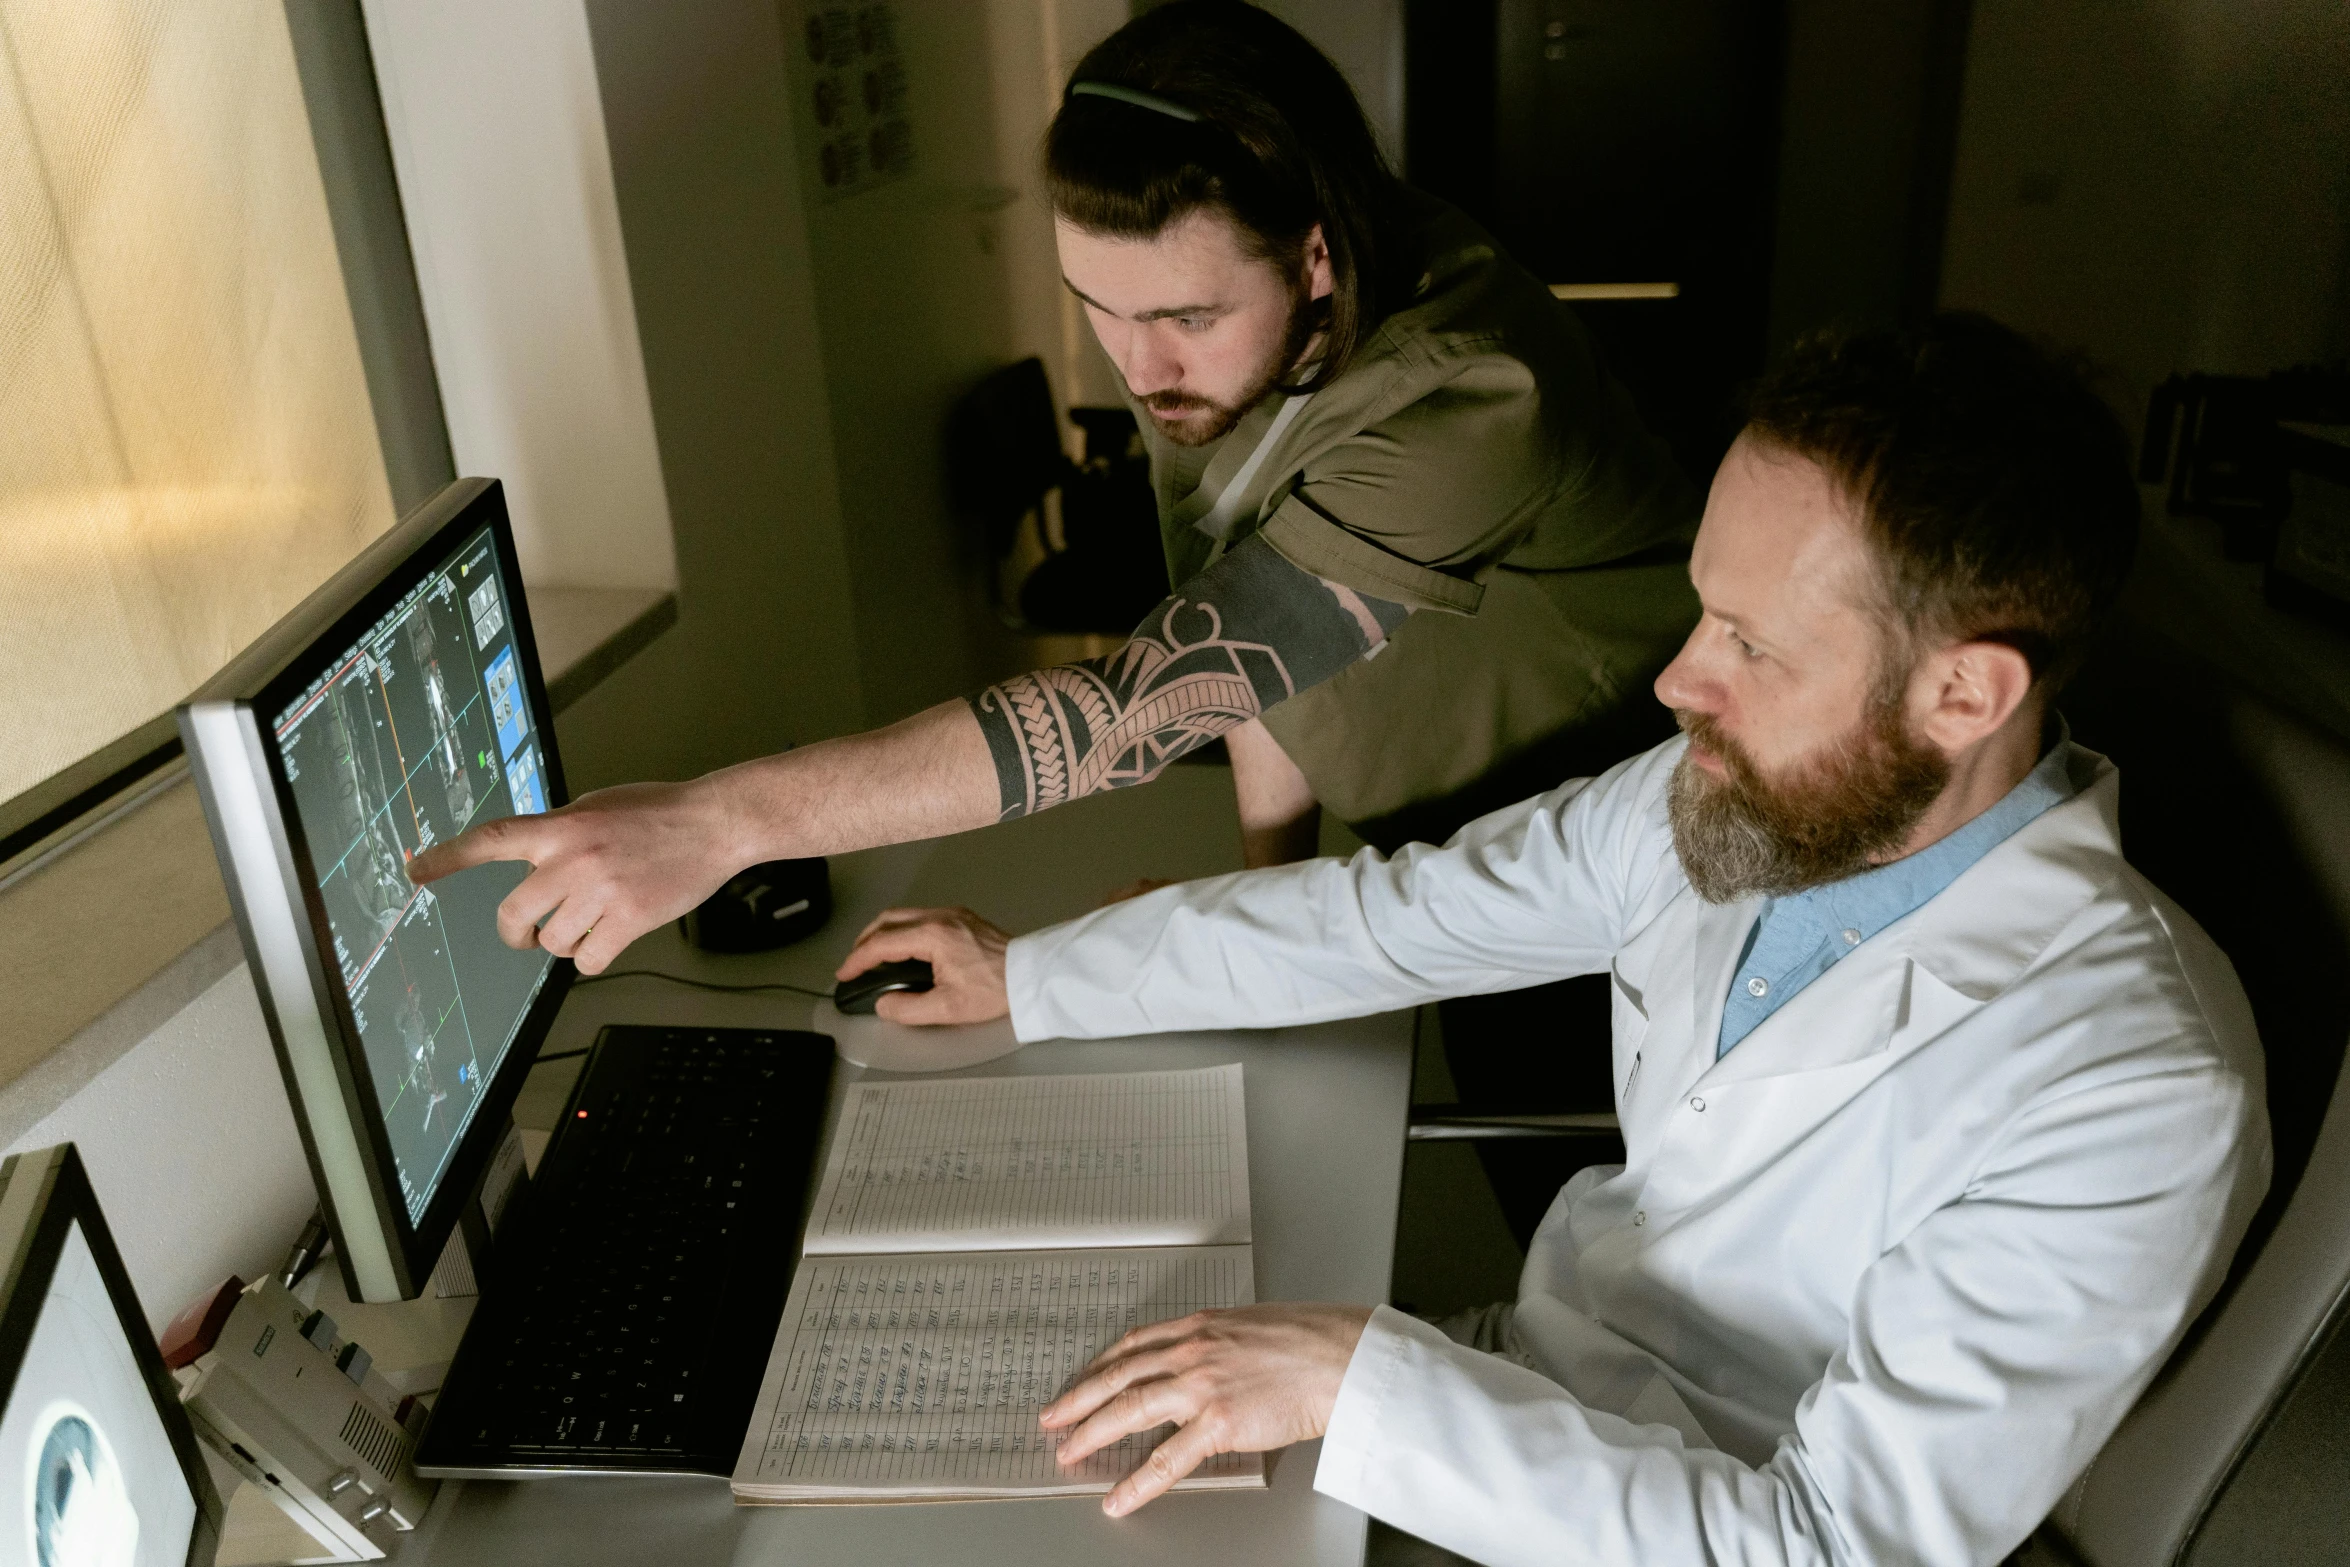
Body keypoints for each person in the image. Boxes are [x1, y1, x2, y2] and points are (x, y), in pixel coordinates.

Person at [828, 314, 2273, 1566]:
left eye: (1748, 646)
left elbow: (1828, 1543)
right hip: (1526, 1396)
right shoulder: (1743, 792)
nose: (1674, 680)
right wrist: (1035, 973)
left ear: (1963, 694)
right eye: (1703, 611)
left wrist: (1359, 1381)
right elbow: (1396, 921)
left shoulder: (2131, 1089)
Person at [404, 1, 1697, 997]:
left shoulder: (1466, 401)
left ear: (1314, 256)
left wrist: (718, 821)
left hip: (1640, 855)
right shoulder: (1233, 341)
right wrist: (1255, 901)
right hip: (1461, 848)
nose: (1140, 367)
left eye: (1184, 316)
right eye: (1102, 308)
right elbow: (1250, 636)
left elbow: (1157, 696)